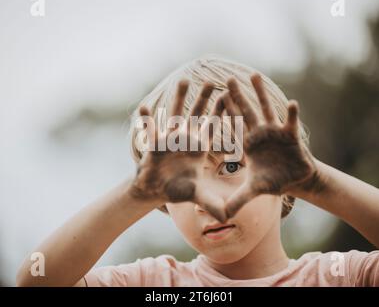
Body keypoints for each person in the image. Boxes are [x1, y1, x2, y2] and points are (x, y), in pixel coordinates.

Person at [17, 56, 379, 286]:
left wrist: (319, 183)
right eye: (182, 184)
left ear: (285, 177)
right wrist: (134, 195)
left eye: (232, 166)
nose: (209, 201)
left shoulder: (341, 277)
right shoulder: (154, 283)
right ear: (160, 200)